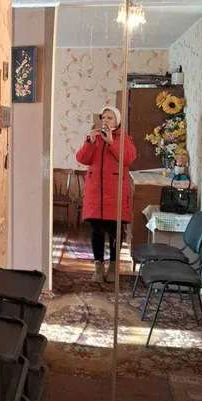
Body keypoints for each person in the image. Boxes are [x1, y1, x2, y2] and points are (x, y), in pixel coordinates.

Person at [76, 106, 137, 283]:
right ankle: (98, 267)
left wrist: (112, 142)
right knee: (96, 231)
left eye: (110, 118)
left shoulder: (124, 138)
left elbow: (128, 159)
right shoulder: (94, 137)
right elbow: (82, 159)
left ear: (117, 121)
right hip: (95, 192)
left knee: (115, 231)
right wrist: (89, 142)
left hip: (115, 193)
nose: (106, 120)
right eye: (104, 117)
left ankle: (113, 266)